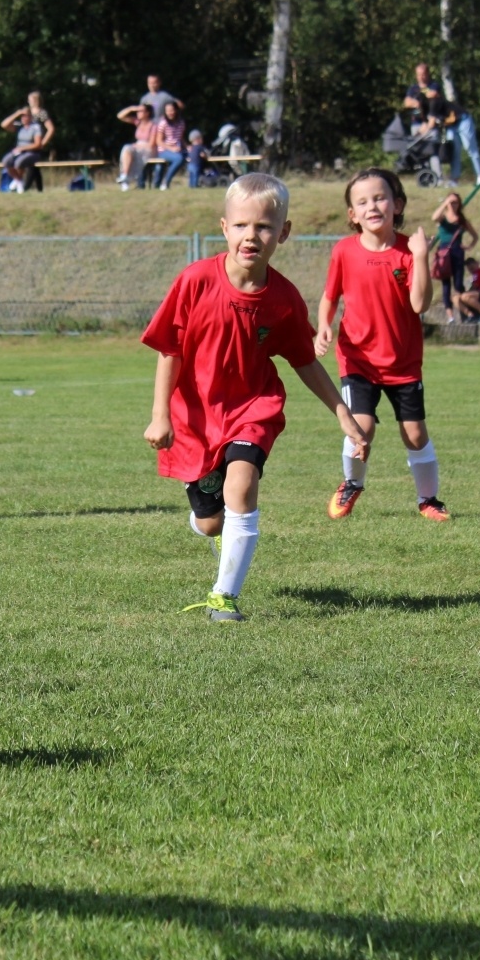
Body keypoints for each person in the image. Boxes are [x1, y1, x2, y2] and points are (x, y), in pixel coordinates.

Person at [142, 173, 369, 623]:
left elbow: (305, 361)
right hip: (196, 417)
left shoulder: (283, 299)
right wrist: (159, 416)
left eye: (264, 227)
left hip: (254, 408)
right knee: (210, 521)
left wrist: (344, 415)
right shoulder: (195, 281)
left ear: (282, 232)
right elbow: (170, 348)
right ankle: (219, 531)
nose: (252, 236)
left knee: (242, 486)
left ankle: (224, 598)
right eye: (242, 225)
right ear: (224, 227)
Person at [315, 168, 445, 522]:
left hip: (403, 362)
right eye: (363, 201)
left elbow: (420, 303)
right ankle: (351, 484)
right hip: (357, 359)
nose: (372, 206)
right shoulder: (344, 251)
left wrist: (420, 257)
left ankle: (429, 500)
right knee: (362, 427)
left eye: (380, 197)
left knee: (415, 433)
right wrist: (323, 327)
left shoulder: (407, 252)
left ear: (397, 204)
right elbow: (329, 297)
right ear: (352, 215)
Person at [431, 192, 477, 323]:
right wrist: (445, 204)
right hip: (444, 253)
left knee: (458, 283)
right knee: (446, 284)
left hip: (457, 251)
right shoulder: (443, 218)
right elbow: (434, 217)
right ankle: (450, 315)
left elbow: (475, 236)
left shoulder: (462, 220)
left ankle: (466, 312)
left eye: (455, 202)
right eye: (451, 202)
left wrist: (469, 246)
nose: (453, 205)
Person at [0, 107, 47, 193]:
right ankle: (18, 181)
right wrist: (17, 114)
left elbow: (38, 144)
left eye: (25, 116)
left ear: (30, 117)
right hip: (19, 152)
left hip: (32, 152)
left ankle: (18, 183)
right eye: (22, 116)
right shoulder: (20, 126)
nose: (23, 118)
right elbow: (4, 125)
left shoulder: (35, 127)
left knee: (19, 162)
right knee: (6, 160)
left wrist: (22, 148)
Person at [115, 105, 155, 190]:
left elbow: (151, 144)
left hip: (148, 149)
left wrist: (138, 145)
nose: (138, 113)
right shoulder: (138, 123)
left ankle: (126, 178)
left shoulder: (153, 126)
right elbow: (120, 116)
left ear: (147, 113)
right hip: (137, 147)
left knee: (130, 150)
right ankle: (125, 176)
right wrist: (131, 109)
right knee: (127, 148)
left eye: (141, 111)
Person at [152, 100, 189, 189]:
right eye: (168, 111)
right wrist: (171, 148)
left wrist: (188, 147)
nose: (170, 113)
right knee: (179, 159)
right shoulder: (163, 123)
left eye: (171, 110)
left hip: (178, 149)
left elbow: (180, 138)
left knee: (193, 155)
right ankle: (166, 181)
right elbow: (159, 141)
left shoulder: (181, 123)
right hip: (164, 150)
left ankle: (194, 183)